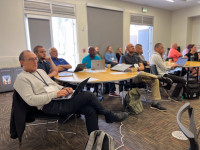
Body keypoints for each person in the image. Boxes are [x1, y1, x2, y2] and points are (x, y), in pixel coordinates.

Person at [13, 50, 128, 135]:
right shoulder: (21, 79)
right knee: (88, 94)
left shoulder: (40, 71)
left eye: (35, 59)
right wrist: (56, 94)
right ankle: (109, 115)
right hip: (50, 105)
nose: (35, 61)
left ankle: (95, 140)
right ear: (22, 62)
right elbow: (31, 100)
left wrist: (63, 89)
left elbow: (52, 85)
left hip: (59, 99)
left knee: (90, 110)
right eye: (31, 59)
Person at [120, 43, 166, 111]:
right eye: (131, 47)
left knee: (154, 80)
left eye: (133, 46)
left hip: (139, 75)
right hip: (131, 77)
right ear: (126, 49)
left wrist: (136, 69)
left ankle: (155, 103)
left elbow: (142, 67)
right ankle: (157, 76)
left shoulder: (137, 57)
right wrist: (134, 69)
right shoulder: (123, 57)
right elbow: (124, 68)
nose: (133, 47)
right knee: (147, 75)